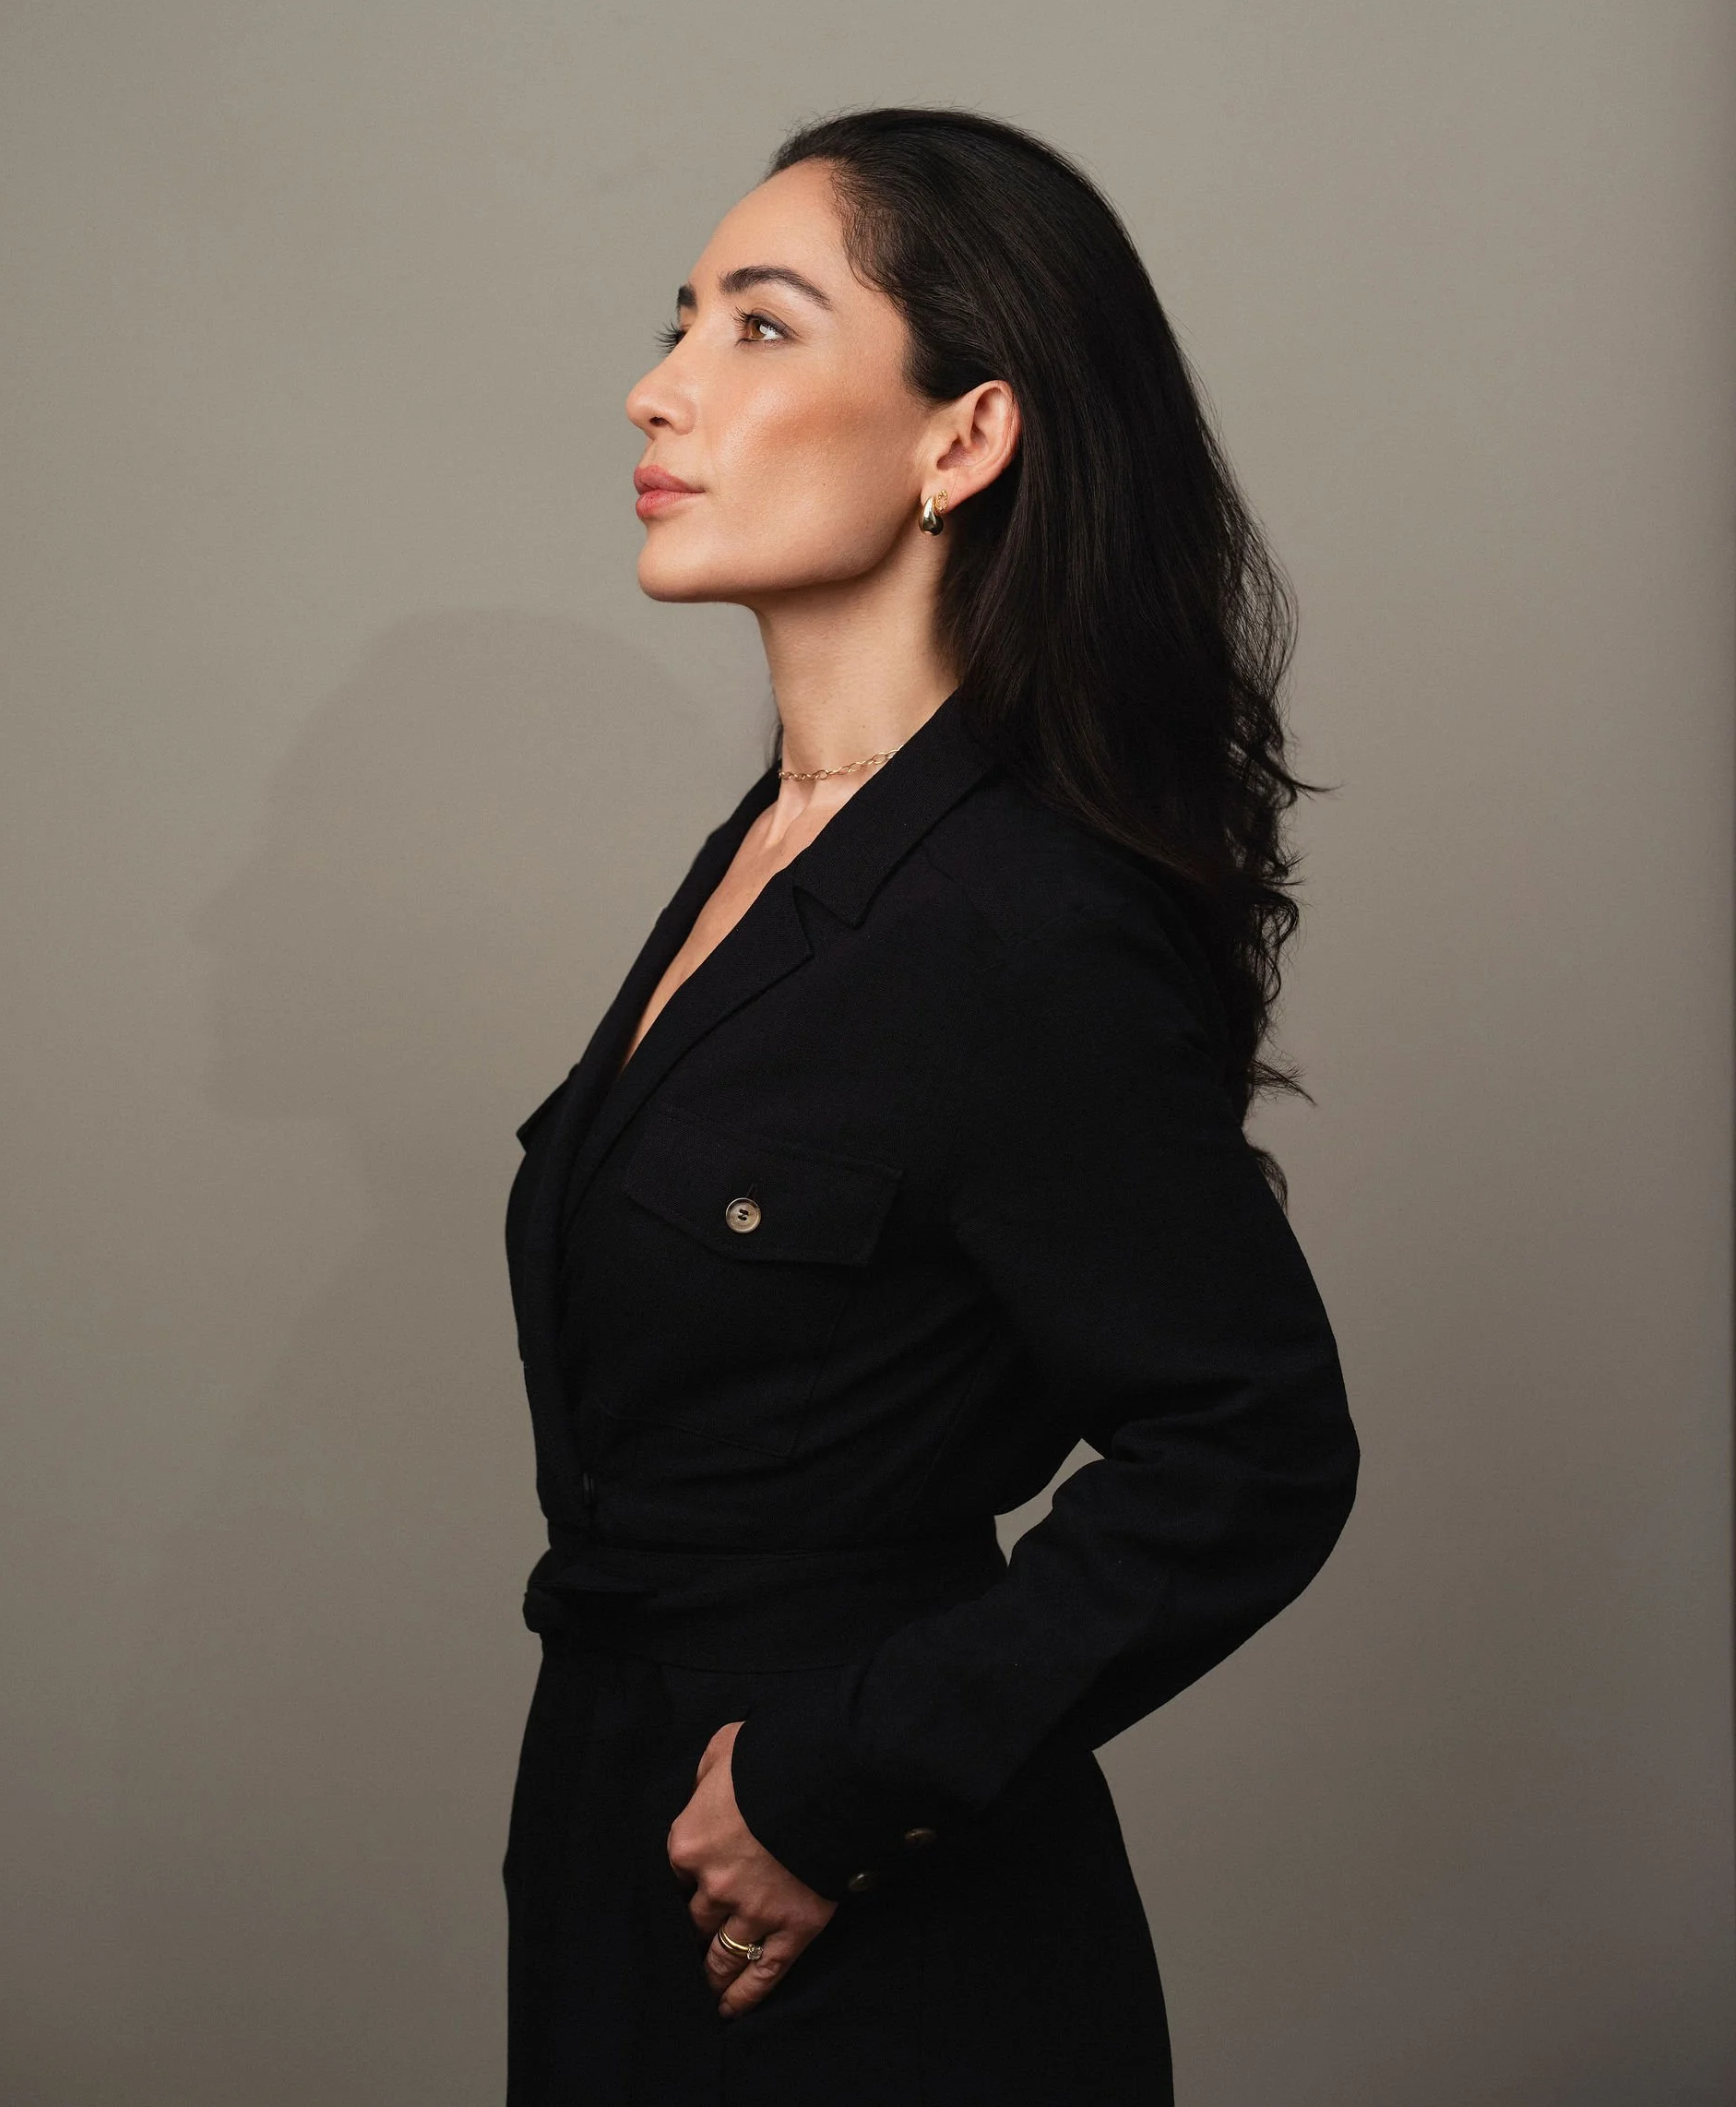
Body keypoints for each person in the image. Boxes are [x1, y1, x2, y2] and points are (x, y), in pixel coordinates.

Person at [501, 105, 1360, 2104]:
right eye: (681, 320)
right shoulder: (779, 847)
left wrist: (829, 1779)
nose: (661, 382)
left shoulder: (1014, 914)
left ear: (961, 439)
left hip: (867, 1946)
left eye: (762, 328)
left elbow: (1250, 1443)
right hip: (615, 1870)